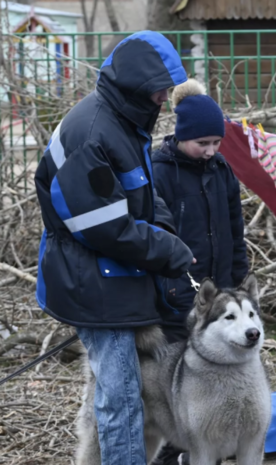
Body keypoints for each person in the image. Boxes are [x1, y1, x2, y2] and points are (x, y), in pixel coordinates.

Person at [34, 31, 193, 465]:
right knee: (120, 399)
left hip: (117, 274)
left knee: (125, 397)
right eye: (161, 86)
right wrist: (166, 250)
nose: (166, 96)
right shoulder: (93, 132)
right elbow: (102, 226)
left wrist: (164, 229)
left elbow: (141, 194)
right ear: (138, 84)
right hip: (90, 278)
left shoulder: (127, 121)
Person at [148, 79, 249, 465]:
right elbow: (156, 234)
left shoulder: (222, 170)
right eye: (201, 143)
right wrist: (170, 286)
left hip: (219, 296)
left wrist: (238, 283)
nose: (209, 151)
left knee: (216, 377)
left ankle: (207, 450)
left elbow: (235, 228)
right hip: (176, 299)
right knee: (179, 383)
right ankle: (171, 452)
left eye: (216, 143)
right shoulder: (160, 171)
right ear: (182, 136)